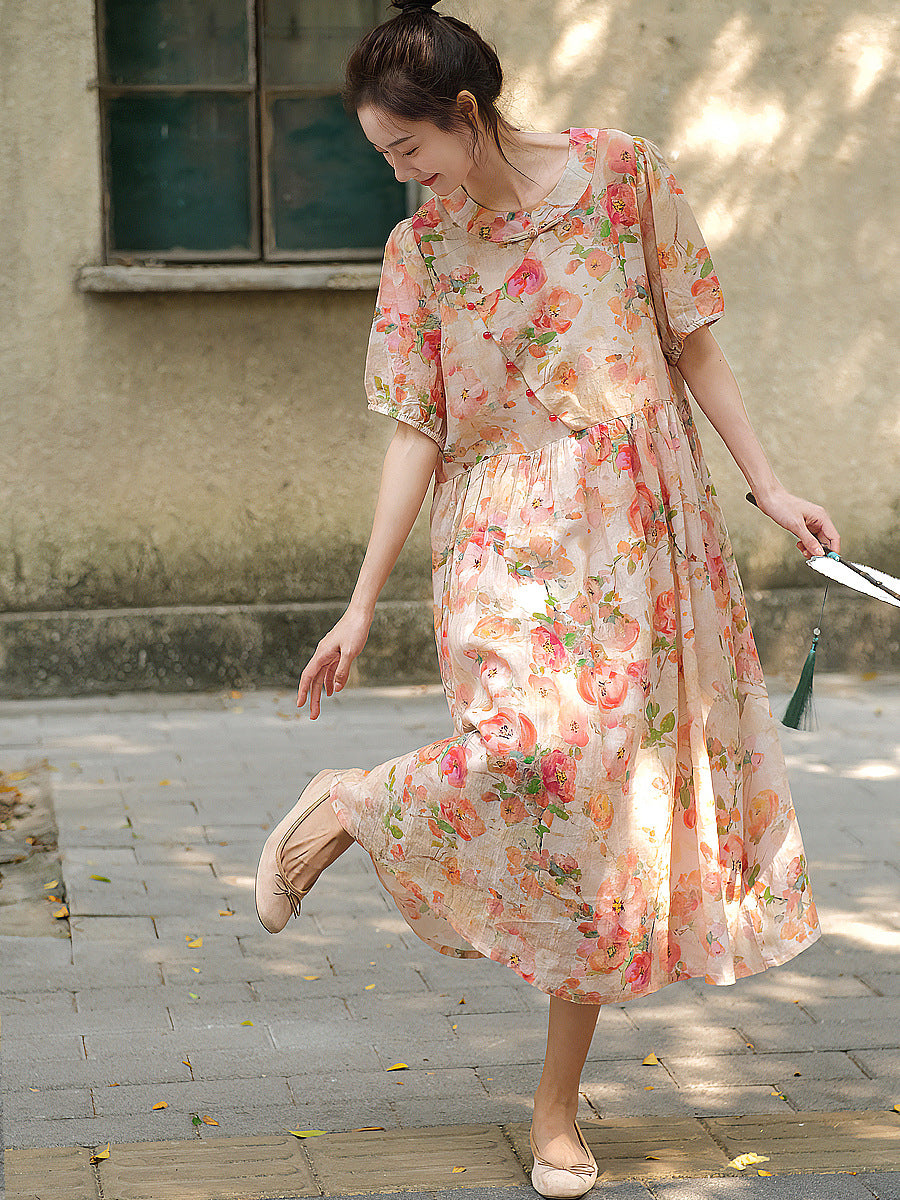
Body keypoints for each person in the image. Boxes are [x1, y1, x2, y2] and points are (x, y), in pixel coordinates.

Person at [256, 0, 841, 1193]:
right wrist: (360, 603)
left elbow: (693, 346)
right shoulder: (422, 252)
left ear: (467, 113)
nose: (402, 173)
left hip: (643, 529)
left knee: (605, 813)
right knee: (528, 757)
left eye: (409, 146)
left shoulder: (625, 175)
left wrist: (771, 488)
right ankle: (354, 802)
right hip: (503, 538)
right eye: (385, 156)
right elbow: (415, 433)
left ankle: (556, 1109)